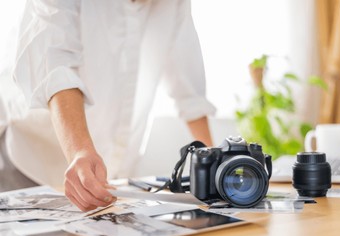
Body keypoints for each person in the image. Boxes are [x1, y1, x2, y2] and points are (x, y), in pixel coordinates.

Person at [0, 0, 216, 211]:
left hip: (113, 179)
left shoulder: (175, 4)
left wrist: (216, 167)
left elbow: (189, 92)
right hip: (30, 165)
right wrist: (79, 151)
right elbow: (54, 66)